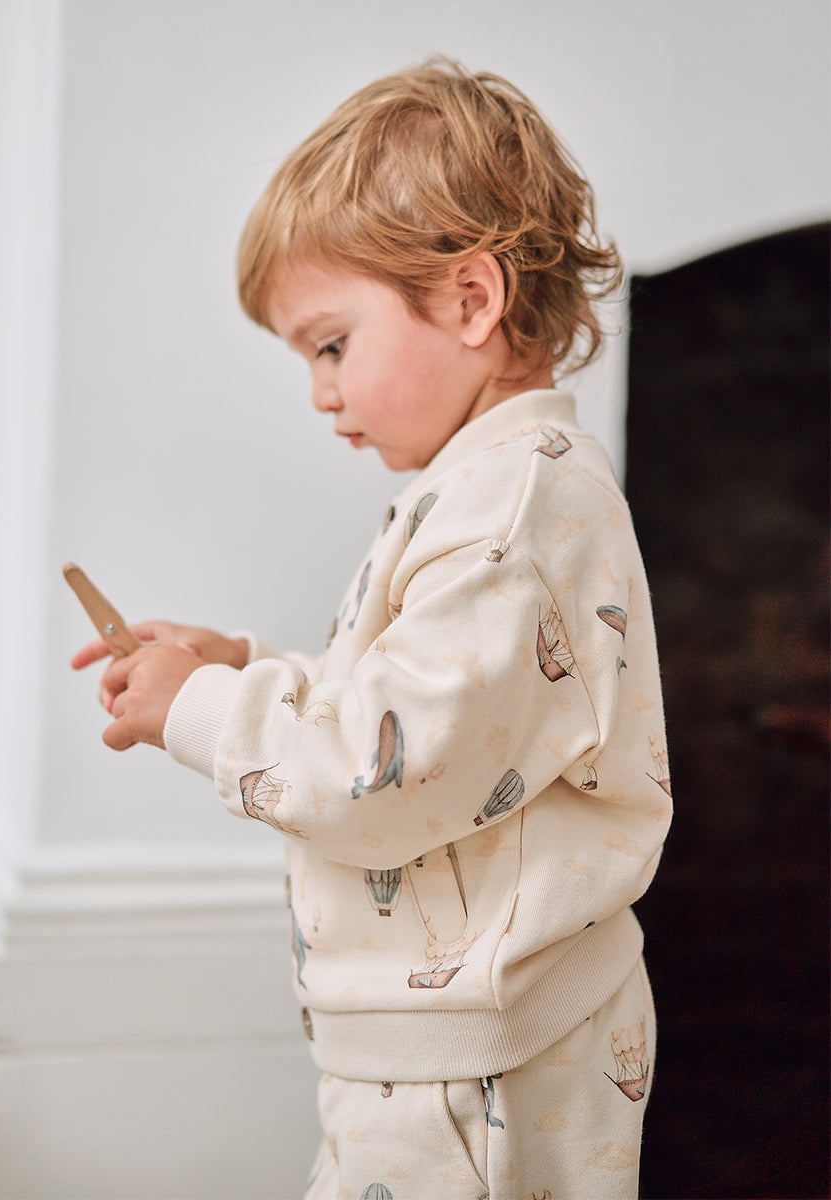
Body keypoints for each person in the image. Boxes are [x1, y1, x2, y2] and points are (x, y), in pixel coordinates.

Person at [72, 59, 671, 1200]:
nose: (319, 391)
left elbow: (382, 771)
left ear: (471, 300)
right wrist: (245, 664)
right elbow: (429, 714)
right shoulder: (488, 493)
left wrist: (199, 709)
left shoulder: (511, 513)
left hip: (477, 1072)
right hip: (449, 1047)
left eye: (331, 344)